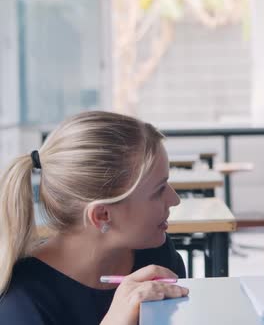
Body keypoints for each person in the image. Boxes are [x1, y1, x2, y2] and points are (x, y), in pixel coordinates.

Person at [0, 111, 189, 324]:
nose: (174, 199)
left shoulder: (156, 255)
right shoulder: (22, 304)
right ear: (102, 215)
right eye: (158, 190)